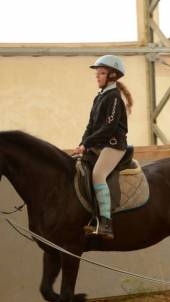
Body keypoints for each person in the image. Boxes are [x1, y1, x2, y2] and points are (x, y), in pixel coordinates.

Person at [72, 55, 133, 239]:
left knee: (98, 174)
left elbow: (109, 127)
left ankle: (106, 223)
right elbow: (90, 125)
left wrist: (88, 143)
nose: (97, 77)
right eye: (97, 74)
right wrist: (82, 144)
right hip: (98, 145)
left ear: (112, 76)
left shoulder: (114, 98)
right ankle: (93, 217)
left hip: (113, 145)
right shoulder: (99, 97)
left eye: (102, 73)